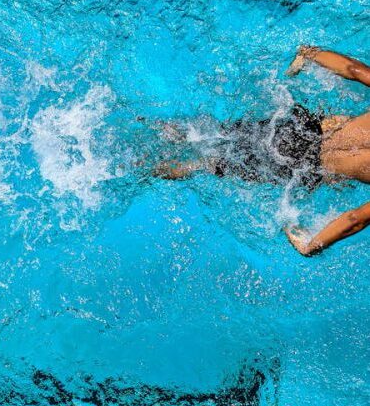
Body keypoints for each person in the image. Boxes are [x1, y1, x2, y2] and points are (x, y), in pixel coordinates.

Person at [155, 46, 370, 256]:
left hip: (299, 130)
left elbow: (354, 69)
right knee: (209, 165)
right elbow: (354, 220)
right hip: (304, 167)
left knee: (216, 134)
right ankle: (143, 169)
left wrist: (310, 54)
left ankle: (155, 128)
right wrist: (311, 246)